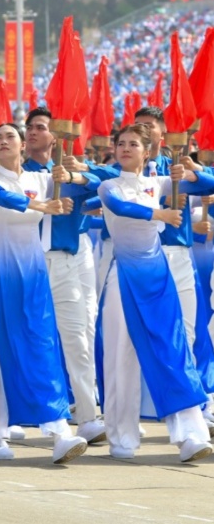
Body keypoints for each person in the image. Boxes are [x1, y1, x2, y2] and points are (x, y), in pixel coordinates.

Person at [97, 123, 214, 462]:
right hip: (123, 278)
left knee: (173, 349)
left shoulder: (160, 182)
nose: (126, 148)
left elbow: (209, 185)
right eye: (121, 143)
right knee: (121, 355)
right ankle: (122, 435)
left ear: (148, 152)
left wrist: (192, 171)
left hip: (158, 277)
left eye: (134, 144)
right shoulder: (109, 185)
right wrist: (158, 213)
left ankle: (190, 434)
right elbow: (121, 208)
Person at [0, 122, 88, 464]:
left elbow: (95, 185)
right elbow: (3, 199)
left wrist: (74, 176)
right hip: (1, 274)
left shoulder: (41, 179)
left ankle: (59, 430)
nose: (4, 141)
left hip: (34, 273)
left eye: (10, 136)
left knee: (42, 345)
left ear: (23, 145)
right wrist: (41, 207)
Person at [24, 107, 106, 446]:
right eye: (29, 127)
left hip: (65, 264)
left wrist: (77, 176)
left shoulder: (70, 175)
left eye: (40, 127)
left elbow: (104, 183)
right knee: (32, 341)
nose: (32, 132)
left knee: (77, 341)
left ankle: (88, 417)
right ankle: (34, 415)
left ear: (56, 137)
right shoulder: (19, 173)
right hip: (28, 265)